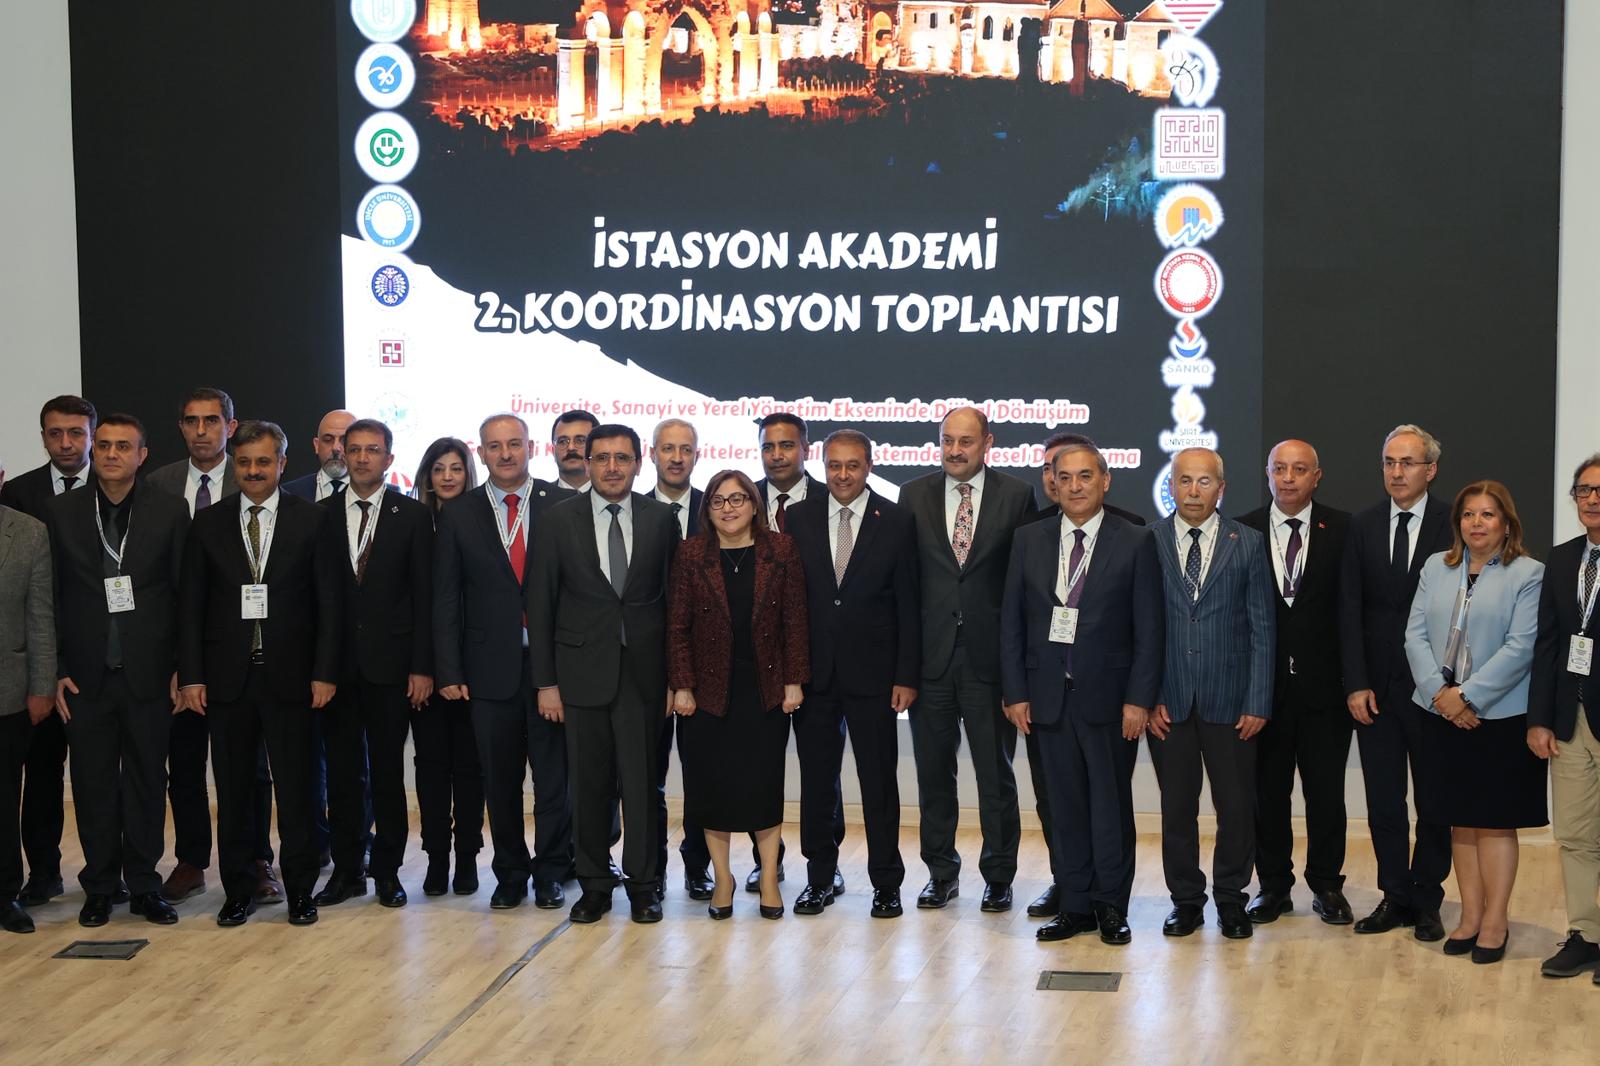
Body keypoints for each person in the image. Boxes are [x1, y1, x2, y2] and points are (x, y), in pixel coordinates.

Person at [177, 420, 341, 927]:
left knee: (298, 791)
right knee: (234, 792)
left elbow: (329, 605)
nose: (253, 471)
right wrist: (192, 676)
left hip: (293, 679)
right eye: (245, 462)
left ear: (282, 464)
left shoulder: (312, 521)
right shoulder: (208, 523)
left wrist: (325, 672)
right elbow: (191, 607)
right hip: (227, 681)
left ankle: (300, 890)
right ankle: (239, 889)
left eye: (263, 462)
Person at [1000, 439, 1162, 944]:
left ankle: (1110, 905)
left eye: (1085, 476)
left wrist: (1138, 699)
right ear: (1052, 482)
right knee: (1063, 807)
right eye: (1064, 477)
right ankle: (1073, 906)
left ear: (1105, 481)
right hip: (1047, 698)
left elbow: (1149, 628)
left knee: (1109, 807)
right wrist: (1015, 691)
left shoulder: (1135, 539)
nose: (1074, 486)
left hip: (1110, 701)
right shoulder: (1029, 538)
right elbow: (1012, 622)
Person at [529, 424, 677, 925]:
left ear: (639, 463)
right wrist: (546, 683)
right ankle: (593, 884)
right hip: (579, 675)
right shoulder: (557, 520)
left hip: (644, 678)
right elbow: (541, 604)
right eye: (602, 458)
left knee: (642, 788)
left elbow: (673, 605)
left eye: (622, 458)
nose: (612, 467)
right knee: (588, 788)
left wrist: (675, 680)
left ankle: (644, 886)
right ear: (587, 463)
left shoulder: (660, 520)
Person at [45, 415, 187, 928]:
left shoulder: (170, 509)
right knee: (92, 784)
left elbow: (184, 595)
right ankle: (101, 886)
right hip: (85, 678)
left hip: (149, 674)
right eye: (103, 444)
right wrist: (56, 667)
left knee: (148, 781)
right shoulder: (61, 512)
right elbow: (49, 597)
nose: (110, 454)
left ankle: (145, 885)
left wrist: (183, 667)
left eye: (123, 446)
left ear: (142, 455)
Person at [901, 407, 1036, 913]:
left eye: (965, 441)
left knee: (994, 777)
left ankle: (999, 876)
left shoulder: (1017, 495)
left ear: (987, 443)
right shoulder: (913, 494)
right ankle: (941, 873)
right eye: (947, 440)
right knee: (934, 776)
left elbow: (1024, 585)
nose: (955, 450)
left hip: (989, 661)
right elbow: (906, 585)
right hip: (930, 661)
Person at [1404, 480, 1544, 964]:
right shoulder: (1435, 567)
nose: (1476, 523)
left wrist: (1467, 697)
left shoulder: (1528, 574)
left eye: (1487, 514)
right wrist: (1441, 696)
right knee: (1459, 821)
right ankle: (1469, 916)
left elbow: (1521, 647)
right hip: (1439, 713)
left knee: (1495, 823)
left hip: (1498, 717)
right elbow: (1414, 636)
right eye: (1468, 514)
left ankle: (1496, 921)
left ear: (1506, 523)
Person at [433, 414, 570, 908]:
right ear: (482, 453)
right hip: (487, 671)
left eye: (514, 444)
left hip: (551, 669)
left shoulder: (560, 504)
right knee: (501, 781)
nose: (506, 454)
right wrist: (449, 669)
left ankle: (551, 871)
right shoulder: (460, 512)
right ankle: (511, 872)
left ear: (531, 448)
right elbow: (446, 597)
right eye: (495, 446)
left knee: (554, 781)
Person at [147, 387, 275, 906]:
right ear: (180, 427)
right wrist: (179, 660)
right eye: (191, 421)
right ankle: (192, 860)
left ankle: (258, 861)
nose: (201, 431)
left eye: (211, 420)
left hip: (244, 654)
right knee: (184, 763)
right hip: (177, 650)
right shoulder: (157, 484)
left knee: (251, 767)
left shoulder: (254, 479)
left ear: (230, 425)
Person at [785, 429, 919, 919]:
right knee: (817, 782)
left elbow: (909, 602)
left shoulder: (897, 520)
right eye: (834, 465)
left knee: (878, 781)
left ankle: (886, 883)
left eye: (852, 465)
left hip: (877, 676)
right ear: (822, 465)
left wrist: (906, 675)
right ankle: (820, 878)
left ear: (869, 466)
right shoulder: (797, 517)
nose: (842, 475)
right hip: (815, 675)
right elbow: (790, 603)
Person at [667, 470, 808, 919]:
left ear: (754, 503)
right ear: (707, 509)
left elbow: (795, 620)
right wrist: (682, 685)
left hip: (765, 689)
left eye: (737, 499)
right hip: (707, 693)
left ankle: (768, 877)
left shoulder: (780, 549)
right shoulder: (691, 553)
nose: (728, 508)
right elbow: (677, 626)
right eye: (718, 501)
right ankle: (723, 878)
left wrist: (793, 680)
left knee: (763, 786)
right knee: (713, 789)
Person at [1149, 448, 1275, 940]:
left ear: (1221, 488)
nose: (1194, 491)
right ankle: (1185, 901)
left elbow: (1263, 629)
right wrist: (1148, 696)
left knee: (1236, 808)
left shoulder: (1249, 543)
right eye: (1184, 481)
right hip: (1169, 702)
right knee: (1177, 809)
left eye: (1204, 482)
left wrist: (1258, 700)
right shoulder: (1149, 541)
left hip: (1233, 702)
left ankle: (1231, 898)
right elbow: (1140, 629)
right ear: (1172, 487)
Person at [1340, 424, 1454, 941]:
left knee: (1434, 801)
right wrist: (1355, 682)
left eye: (1407, 462)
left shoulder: (1456, 522)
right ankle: (1394, 894)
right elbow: (1349, 609)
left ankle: (1427, 899)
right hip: (1377, 691)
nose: (1396, 472)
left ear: (1430, 469)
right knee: (1384, 801)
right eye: (1389, 462)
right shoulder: (1362, 525)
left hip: (1434, 690)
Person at [313, 419, 433, 911]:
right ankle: (346, 871)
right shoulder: (319, 515)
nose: (362, 458)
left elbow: (424, 596)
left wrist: (422, 667)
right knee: (343, 776)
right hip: (336, 670)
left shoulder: (412, 515)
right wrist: (318, 669)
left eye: (373, 450)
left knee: (386, 774)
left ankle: (387, 871)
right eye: (355, 449)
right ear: (342, 453)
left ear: (389, 458)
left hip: (393, 667)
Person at [1237, 441, 1355, 926]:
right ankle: (1273, 886)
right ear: (1267, 474)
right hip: (1262, 693)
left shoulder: (1343, 529)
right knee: (1267, 794)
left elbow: (1351, 611)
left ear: (1316, 476)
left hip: (1326, 690)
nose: (1288, 478)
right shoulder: (1241, 530)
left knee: (1326, 794)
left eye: (1299, 469)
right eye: (1280, 469)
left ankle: (1327, 884)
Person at [0, 395, 95, 908]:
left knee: (99, 772)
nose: (66, 443)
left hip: (96, 654)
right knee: (40, 771)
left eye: (76, 433)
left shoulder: (118, 486)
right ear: (42, 438)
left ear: (91, 435)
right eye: (55, 433)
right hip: (35, 659)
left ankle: (108, 869)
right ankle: (42, 871)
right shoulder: (18, 493)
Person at [751, 412, 841, 892]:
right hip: (758, 663)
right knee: (760, 767)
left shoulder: (833, 500)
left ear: (807, 449)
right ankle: (766, 859)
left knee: (820, 770)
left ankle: (825, 864)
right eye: (768, 447)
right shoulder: (741, 500)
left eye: (787, 445)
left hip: (820, 660)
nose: (777, 455)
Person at [1530, 453, 1600, 979]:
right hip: (1570, 719)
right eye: (1584, 490)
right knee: (1575, 834)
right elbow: (1548, 644)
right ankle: (1585, 935)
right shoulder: (1561, 558)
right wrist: (1540, 718)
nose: (1592, 499)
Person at [410, 437, 484, 894]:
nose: (448, 477)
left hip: (473, 669)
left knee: (471, 769)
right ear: (427, 477)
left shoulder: (482, 521)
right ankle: (437, 857)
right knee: (432, 769)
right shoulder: (413, 524)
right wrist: (425, 667)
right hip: (424, 671)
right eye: (439, 469)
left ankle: (468, 858)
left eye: (456, 468)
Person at [648, 418, 711, 899]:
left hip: (704, 668)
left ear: (696, 456)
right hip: (645, 666)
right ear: (652, 455)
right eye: (667, 449)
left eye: (684, 449)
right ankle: (649, 868)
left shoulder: (719, 509)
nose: (676, 457)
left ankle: (697, 865)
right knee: (645, 774)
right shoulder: (632, 510)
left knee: (702, 774)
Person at [0, 456, 56, 934]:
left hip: (9, 692)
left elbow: (40, 617)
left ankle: (5, 896)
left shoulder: (29, 532)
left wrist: (42, 686)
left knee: (5, 799)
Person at [281, 409, 357, 502]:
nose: (335, 448)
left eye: (344, 440)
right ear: (316, 445)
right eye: (328, 440)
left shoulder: (371, 492)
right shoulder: (288, 494)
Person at [548, 410, 599, 493]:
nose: (571, 448)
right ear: (553, 451)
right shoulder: (535, 498)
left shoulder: (616, 496)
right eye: (562, 441)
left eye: (580, 440)